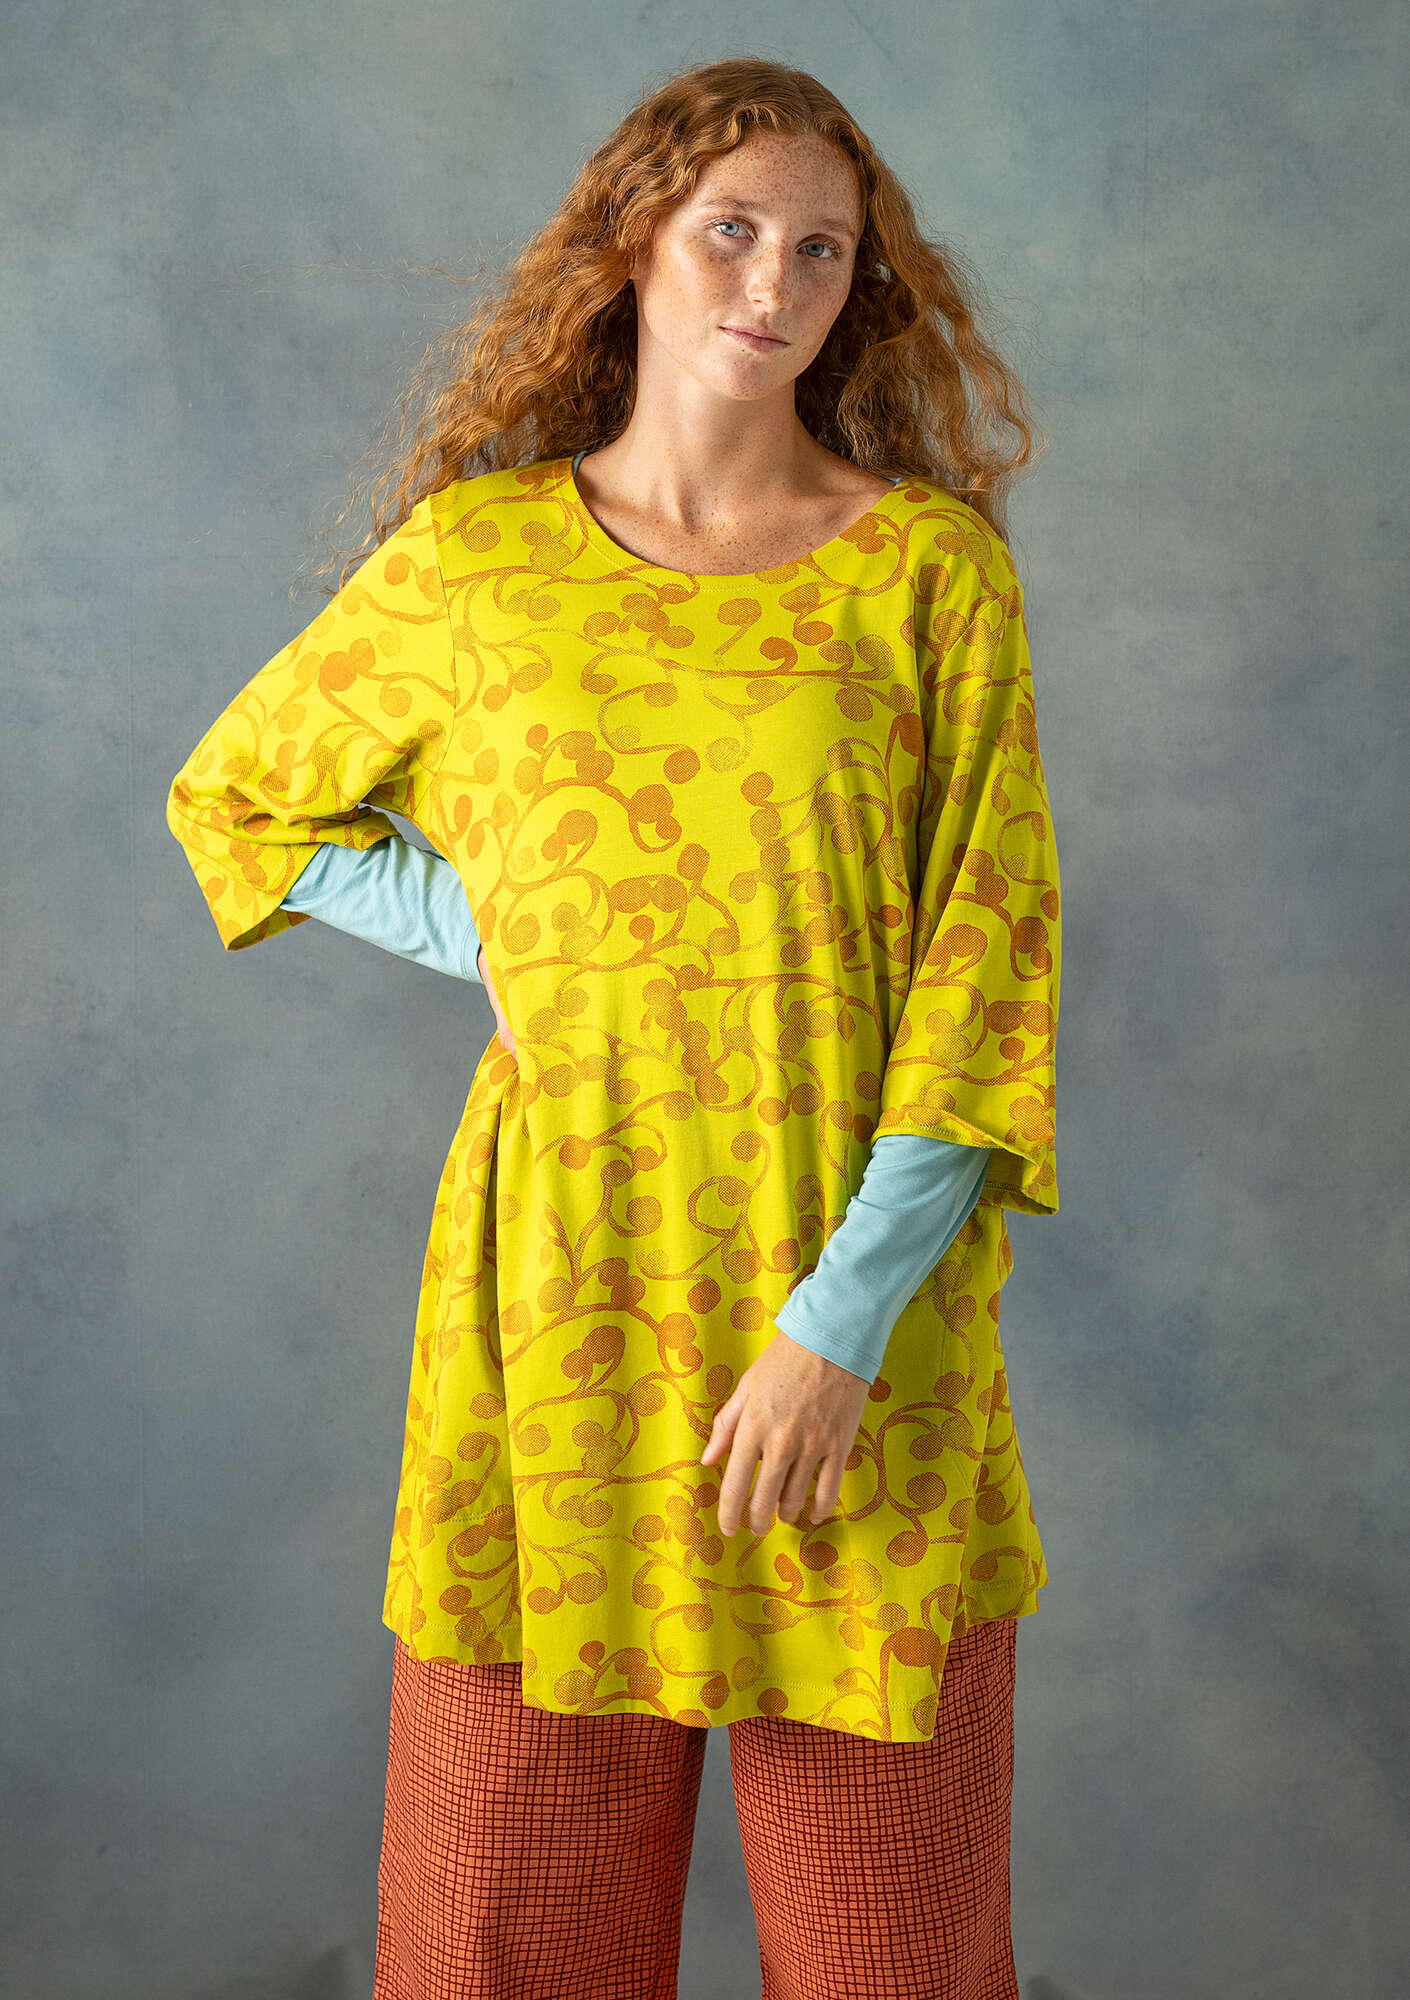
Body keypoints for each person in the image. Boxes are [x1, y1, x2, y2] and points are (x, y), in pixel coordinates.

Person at [165, 54, 1062, 2000]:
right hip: (558, 1314)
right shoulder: (477, 563)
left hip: (863, 1335)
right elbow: (238, 798)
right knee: (509, 1942)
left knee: (892, 1957)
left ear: (860, 286)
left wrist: (835, 1331)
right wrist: (487, 924)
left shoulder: (928, 578)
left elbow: (984, 976)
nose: (774, 281)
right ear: (632, 242)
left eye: (821, 249)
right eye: (732, 228)